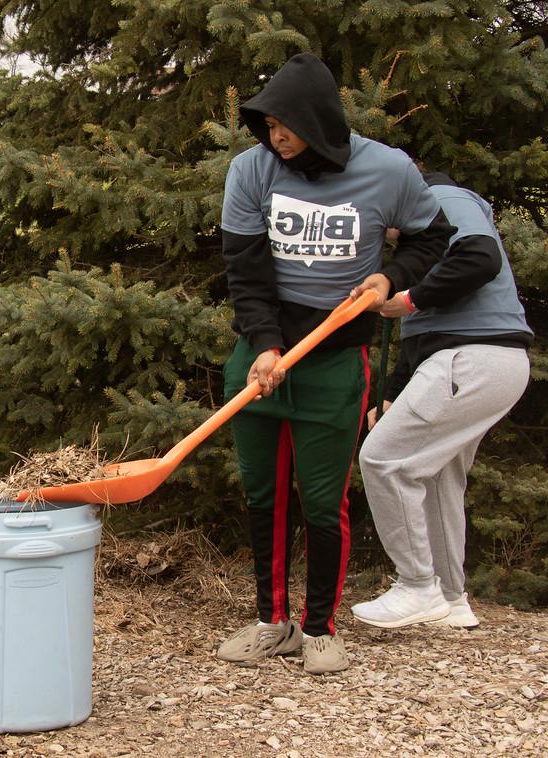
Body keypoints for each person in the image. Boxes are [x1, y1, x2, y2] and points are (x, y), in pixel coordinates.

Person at [217, 53, 454, 674]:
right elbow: (245, 269)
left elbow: (434, 237)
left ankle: (319, 628)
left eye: (283, 126)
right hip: (263, 352)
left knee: (323, 500)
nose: (274, 138)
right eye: (266, 127)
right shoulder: (251, 170)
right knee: (264, 495)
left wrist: (388, 276)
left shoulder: (388, 170)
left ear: (316, 119)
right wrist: (264, 344)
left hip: (335, 360)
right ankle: (274, 623)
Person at [351, 173, 533, 630]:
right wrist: (392, 395)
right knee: (435, 476)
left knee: (384, 460)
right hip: (472, 360)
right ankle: (451, 600)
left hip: (472, 357)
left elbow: (480, 257)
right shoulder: (424, 238)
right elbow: (423, 337)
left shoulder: (442, 198)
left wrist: (411, 297)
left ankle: (416, 586)